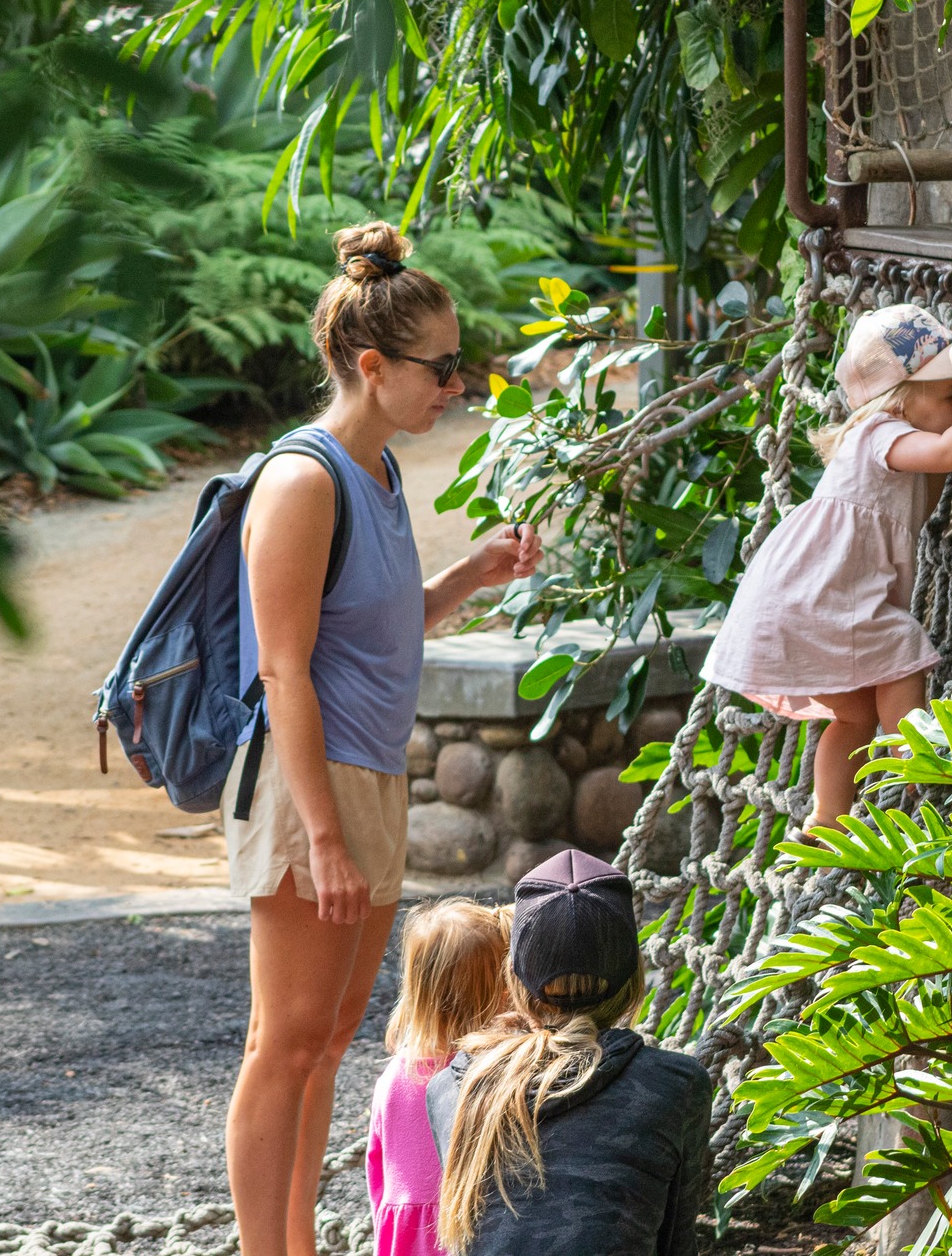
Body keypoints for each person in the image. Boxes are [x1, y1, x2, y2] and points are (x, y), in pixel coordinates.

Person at [226, 221, 542, 1256]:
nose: (456, 385)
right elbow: (282, 670)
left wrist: (469, 578)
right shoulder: (302, 479)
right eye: (442, 367)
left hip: (367, 778)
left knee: (324, 1044)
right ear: (372, 365)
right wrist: (320, 835)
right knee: (282, 1044)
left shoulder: (380, 476)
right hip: (305, 787)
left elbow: (371, 630)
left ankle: (298, 1244)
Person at [700, 304, 952, 828]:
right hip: (818, 599)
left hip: (808, 597)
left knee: (854, 715)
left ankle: (828, 815)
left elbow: (945, 460)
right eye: (950, 395)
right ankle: (916, 759)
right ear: (897, 402)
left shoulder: (882, 439)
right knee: (903, 647)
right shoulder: (879, 432)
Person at [426, 850, 711, 1256]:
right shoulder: (676, 1087)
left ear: (514, 978)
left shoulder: (451, 1088)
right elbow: (675, 1245)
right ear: (633, 976)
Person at [367, 899, 513, 1256]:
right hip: (471, 1234)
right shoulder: (492, 1073)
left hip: (408, 1238)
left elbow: (377, 1169)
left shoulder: (394, 1076)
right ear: (501, 990)